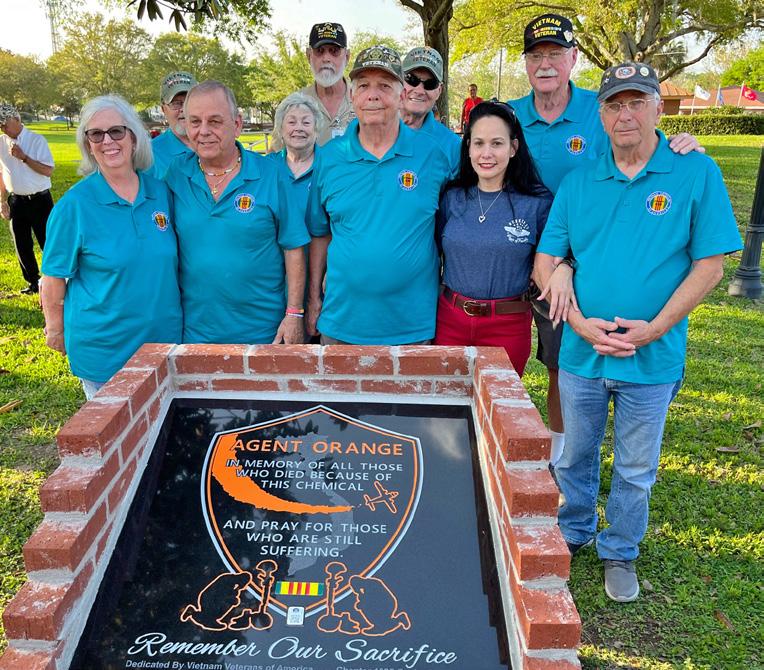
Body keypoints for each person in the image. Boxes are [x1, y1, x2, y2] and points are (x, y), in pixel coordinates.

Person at [533, 62, 742, 603]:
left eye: (636, 102)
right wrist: (577, 321)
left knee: (635, 466)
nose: (624, 114)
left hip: (652, 356)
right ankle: (574, 530)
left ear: (657, 108)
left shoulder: (695, 172)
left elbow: (710, 266)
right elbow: (545, 259)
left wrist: (654, 330)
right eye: (614, 104)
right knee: (575, 454)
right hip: (582, 353)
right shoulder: (581, 181)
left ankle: (620, 548)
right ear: (601, 115)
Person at [509, 13, 703, 468]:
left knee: (560, 365)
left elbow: (638, 143)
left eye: (555, 53)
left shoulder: (600, 109)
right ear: (526, 63)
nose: (545, 64)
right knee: (517, 366)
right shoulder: (510, 115)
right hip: (517, 263)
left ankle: (561, 456)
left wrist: (681, 144)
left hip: (575, 267)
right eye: (536, 55)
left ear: (573, 58)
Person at [306, 46, 452, 345]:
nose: (373, 95)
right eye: (363, 86)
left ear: (401, 95)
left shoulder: (433, 156)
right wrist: (312, 298)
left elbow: (449, 231)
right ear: (352, 95)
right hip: (341, 323)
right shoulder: (329, 157)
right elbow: (320, 232)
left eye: (384, 86)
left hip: (412, 326)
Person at [40, 95, 182, 400]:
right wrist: (55, 329)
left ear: (134, 137)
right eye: (96, 134)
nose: (108, 141)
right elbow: (53, 277)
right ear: (88, 144)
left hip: (164, 344)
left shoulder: (162, 193)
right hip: (105, 353)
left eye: (116, 131)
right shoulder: (74, 206)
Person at [167, 81, 309, 345]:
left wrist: (293, 314)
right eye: (195, 121)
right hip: (196, 333)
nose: (203, 131)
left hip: (264, 332)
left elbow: (294, 246)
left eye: (215, 121)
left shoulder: (272, 174)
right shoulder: (176, 174)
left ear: (237, 124)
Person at [434, 101, 570, 376]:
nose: (486, 153)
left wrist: (566, 267)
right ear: (468, 147)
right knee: (448, 400)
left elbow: (558, 254)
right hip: (450, 321)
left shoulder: (536, 203)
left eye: (497, 143)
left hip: (508, 325)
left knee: (498, 401)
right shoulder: (451, 198)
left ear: (513, 147)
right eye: (478, 143)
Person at [270, 22, 355, 151]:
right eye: (319, 51)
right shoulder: (292, 104)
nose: (326, 58)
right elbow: (274, 155)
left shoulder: (364, 100)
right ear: (308, 55)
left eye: (334, 51)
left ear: (347, 57)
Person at [0, 103, 54, 294]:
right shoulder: (1, 142)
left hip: (40, 201)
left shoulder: (36, 140)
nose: (2, 128)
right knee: (21, 245)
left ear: (16, 119)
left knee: (48, 242)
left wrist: (24, 157)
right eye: (0, 125)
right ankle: (33, 282)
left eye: (4, 124)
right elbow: (2, 173)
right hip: (17, 201)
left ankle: (55, 281)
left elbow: (47, 170)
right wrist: (2, 201)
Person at [401, 47, 460, 172]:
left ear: (439, 90)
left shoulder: (452, 146)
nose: (419, 90)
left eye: (430, 84)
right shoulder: (370, 130)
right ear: (399, 80)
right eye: (411, 79)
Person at [150, 71, 197, 180]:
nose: (184, 109)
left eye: (189, 102)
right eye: (176, 103)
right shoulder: (150, 155)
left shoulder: (214, 145)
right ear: (163, 109)